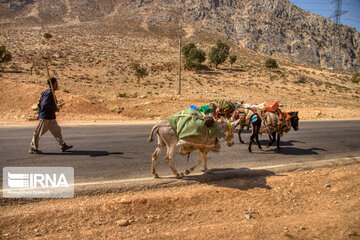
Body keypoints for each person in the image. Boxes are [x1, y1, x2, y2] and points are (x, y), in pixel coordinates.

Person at [29, 77, 73, 154]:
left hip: (51, 117)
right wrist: (54, 109)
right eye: (56, 83)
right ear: (52, 84)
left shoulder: (50, 93)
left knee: (57, 131)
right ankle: (33, 147)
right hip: (46, 117)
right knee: (38, 132)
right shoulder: (49, 93)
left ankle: (62, 145)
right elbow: (44, 105)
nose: (57, 85)